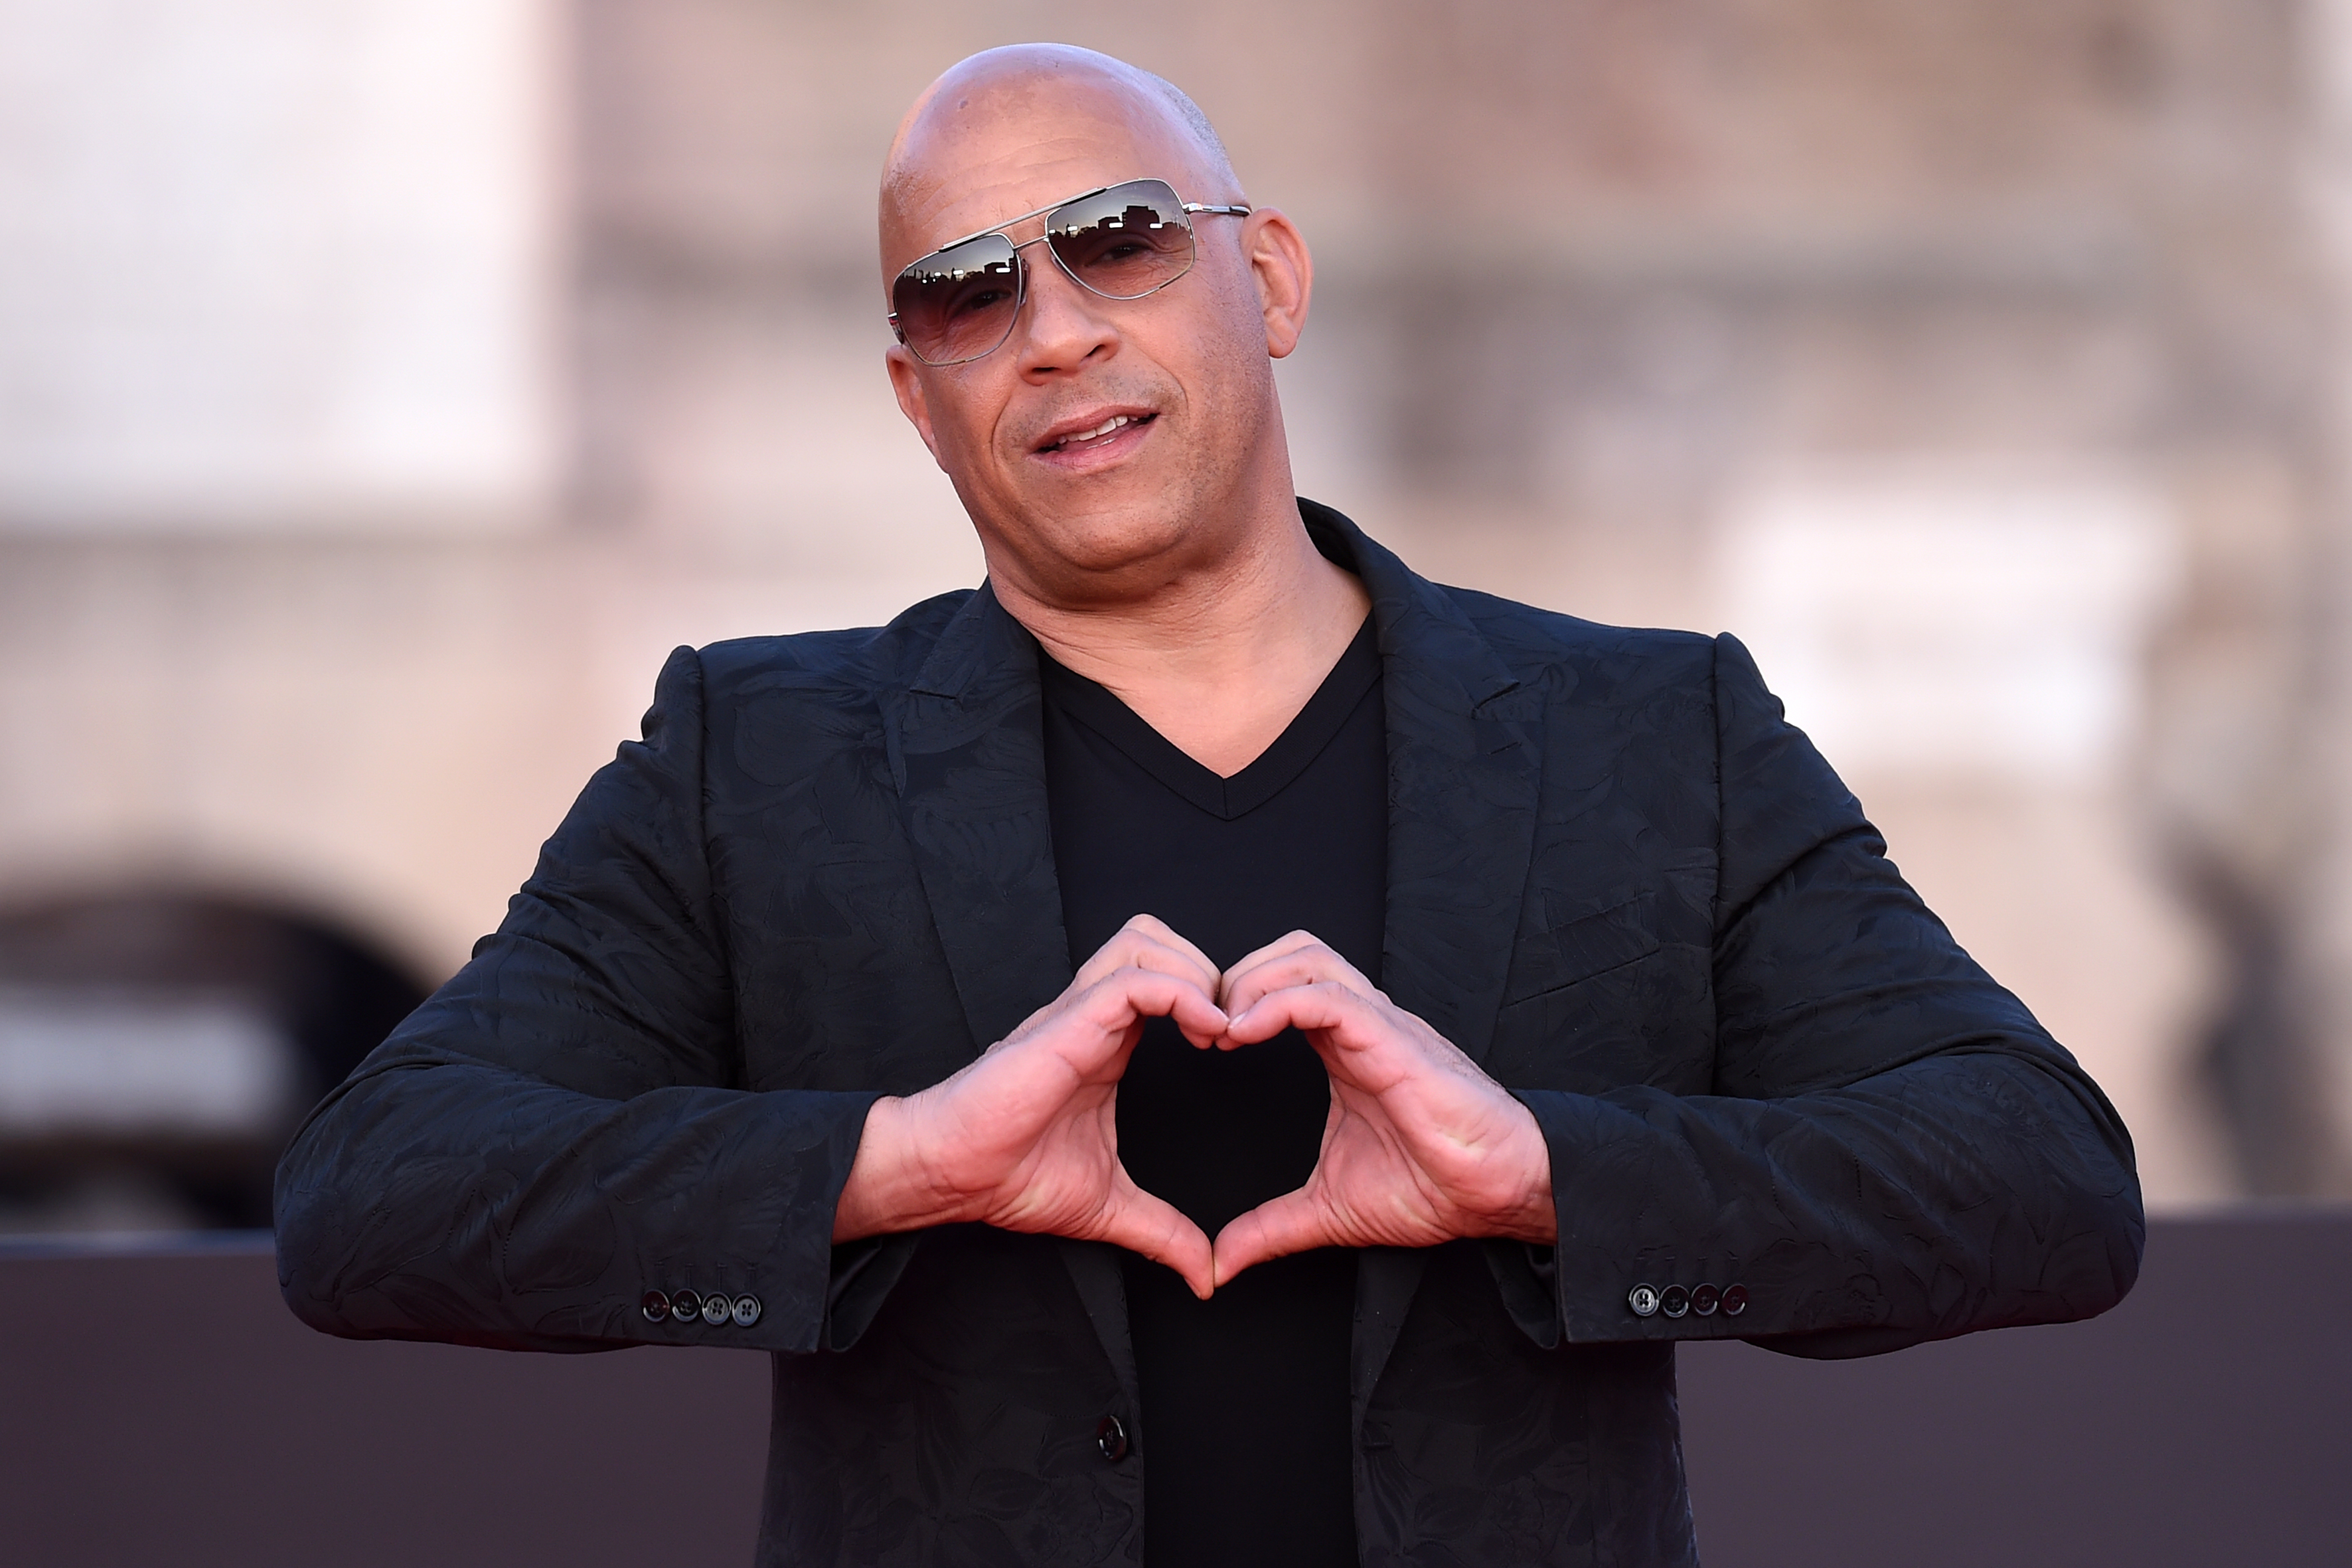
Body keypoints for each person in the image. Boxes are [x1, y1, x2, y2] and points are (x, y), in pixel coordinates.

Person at [275, 42, 2144, 1568]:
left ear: (1266, 280)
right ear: (920, 401)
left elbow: (2040, 1175)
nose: (1056, 329)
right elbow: (373, 1197)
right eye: (967, 288)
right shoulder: (752, 753)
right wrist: (893, 1163)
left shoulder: (1655, 728)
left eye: (1117, 238)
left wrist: (1549, 1175)